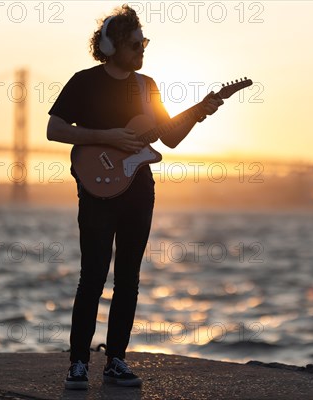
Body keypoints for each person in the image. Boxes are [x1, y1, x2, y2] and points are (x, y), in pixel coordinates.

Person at [46, 4, 223, 390]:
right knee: (91, 277)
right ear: (110, 46)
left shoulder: (147, 86)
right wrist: (104, 136)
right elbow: (55, 129)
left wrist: (197, 114)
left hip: (139, 190)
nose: (142, 48)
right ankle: (78, 363)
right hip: (97, 189)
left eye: (144, 41)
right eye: (134, 43)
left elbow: (169, 137)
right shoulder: (84, 82)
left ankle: (116, 360)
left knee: (129, 278)